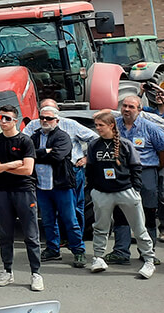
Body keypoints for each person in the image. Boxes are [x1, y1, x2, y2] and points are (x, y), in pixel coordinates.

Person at [85, 110, 155, 278]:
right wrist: (95, 189)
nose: (98, 128)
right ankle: (98, 257)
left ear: (111, 125)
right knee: (100, 228)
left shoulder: (125, 144)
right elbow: (90, 168)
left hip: (125, 191)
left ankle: (149, 260)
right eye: (96, 125)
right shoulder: (94, 145)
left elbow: (136, 166)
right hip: (102, 193)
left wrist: (135, 188)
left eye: (101, 125)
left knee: (139, 228)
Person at [0, 105, 43, 291]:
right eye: (1, 117)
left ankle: (36, 273)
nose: (3, 121)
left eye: (7, 118)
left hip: (24, 191)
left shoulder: (26, 141)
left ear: (15, 121)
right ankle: (7, 271)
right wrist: (10, 165)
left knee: (31, 235)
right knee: (5, 234)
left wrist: (1, 167)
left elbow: (27, 169)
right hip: (2, 191)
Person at [23, 99, 97, 236]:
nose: (45, 118)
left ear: (57, 114)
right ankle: (58, 240)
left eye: (50, 115)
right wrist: (44, 152)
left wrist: (87, 158)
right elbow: (23, 145)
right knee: (49, 210)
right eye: (42, 114)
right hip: (43, 173)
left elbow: (95, 139)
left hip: (71, 171)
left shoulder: (70, 125)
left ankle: (75, 238)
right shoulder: (33, 126)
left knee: (74, 208)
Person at [107, 96, 164, 265]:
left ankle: (148, 253)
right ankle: (120, 252)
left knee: (147, 212)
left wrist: (155, 169)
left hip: (146, 171)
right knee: (120, 211)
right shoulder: (114, 126)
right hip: (121, 173)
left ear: (139, 110)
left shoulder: (151, 128)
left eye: (131, 106)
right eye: (124, 106)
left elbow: (162, 151)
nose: (126, 109)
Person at [31, 106, 86, 267]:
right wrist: (45, 151)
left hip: (61, 185)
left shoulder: (63, 136)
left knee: (70, 219)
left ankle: (79, 251)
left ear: (57, 120)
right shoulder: (34, 136)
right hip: (42, 186)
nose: (45, 121)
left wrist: (39, 154)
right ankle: (53, 249)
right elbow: (26, 154)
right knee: (47, 220)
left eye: (48, 118)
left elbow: (58, 156)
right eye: (42, 118)